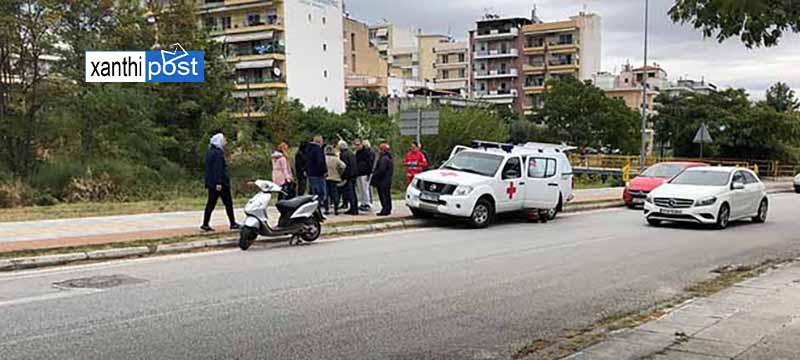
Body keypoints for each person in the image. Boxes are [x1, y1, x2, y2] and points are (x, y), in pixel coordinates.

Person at [201, 133, 239, 232]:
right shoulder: (218, 153)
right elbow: (218, 169)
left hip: (211, 183)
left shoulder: (209, 152)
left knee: (210, 203)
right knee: (228, 203)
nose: (225, 143)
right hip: (220, 183)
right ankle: (233, 223)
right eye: (223, 141)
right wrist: (219, 182)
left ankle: (205, 224)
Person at [371, 143, 394, 216]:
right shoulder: (389, 158)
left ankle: (385, 209)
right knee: (387, 195)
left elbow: (381, 170)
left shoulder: (384, 159)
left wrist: (375, 175)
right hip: (387, 180)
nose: (379, 151)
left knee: (383, 195)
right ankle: (388, 209)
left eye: (380, 149)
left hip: (382, 181)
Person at [338, 140, 359, 215]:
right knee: (353, 193)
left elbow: (344, 166)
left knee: (350, 193)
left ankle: (353, 209)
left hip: (348, 176)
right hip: (354, 175)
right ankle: (354, 208)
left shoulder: (343, 155)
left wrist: (344, 176)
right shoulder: (351, 153)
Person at [324, 145, 346, 215]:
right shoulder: (336, 159)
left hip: (326, 178)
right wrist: (340, 172)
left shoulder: (324, 158)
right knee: (335, 194)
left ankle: (326, 209)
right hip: (335, 178)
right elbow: (343, 166)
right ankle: (336, 209)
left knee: (326, 194)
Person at [354, 139, 375, 212]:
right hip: (359, 173)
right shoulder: (357, 153)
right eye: (355, 145)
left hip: (365, 173)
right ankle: (362, 202)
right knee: (360, 189)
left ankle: (367, 203)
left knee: (365, 188)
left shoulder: (368, 152)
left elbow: (370, 163)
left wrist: (369, 173)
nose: (357, 146)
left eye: (358, 145)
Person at [306, 135, 327, 201]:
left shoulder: (308, 149)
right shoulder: (318, 150)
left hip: (311, 173)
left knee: (313, 191)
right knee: (320, 193)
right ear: (320, 141)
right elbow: (320, 162)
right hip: (318, 174)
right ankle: (318, 206)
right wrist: (324, 171)